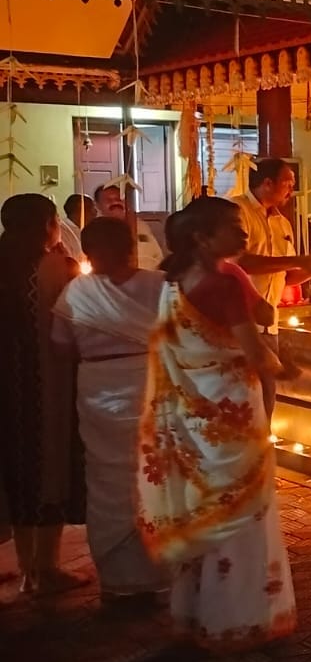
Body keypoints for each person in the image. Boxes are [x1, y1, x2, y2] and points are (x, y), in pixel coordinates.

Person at [138, 196, 297, 650]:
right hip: (232, 415)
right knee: (243, 514)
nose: (243, 232)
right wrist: (291, 367)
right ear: (201, 238)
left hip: (195, 417)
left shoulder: (172, 282)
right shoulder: (224, 283)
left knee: (206, 508)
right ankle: (240, 619)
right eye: (232, 226)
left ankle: (196, 613)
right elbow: (256, 354)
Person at [50, 218, 169, 602]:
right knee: (153, 473)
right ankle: (157, 574)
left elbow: (61, 346)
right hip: (148, 382)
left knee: (106, 479)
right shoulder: (159, 285)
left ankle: (120, 581)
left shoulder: (75, 292)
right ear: (131, 247)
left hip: (98, 385)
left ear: (87, 253)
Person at [0, 193, 88, 596]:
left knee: (15, 469)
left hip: (8, 384)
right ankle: (46, 568)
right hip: (49, 380)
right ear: (47, 226)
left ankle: (24, 566)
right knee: (49, 464)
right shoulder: (59, 267)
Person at [231, 158, 311, 328]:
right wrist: (297, 261)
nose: (291, 190)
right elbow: (239, 263)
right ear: (268, 183)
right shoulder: (237, 211)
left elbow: (285, 277)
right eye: (288, 184)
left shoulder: (282, 223)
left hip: (270, 321)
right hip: (239, 321)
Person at [93, 184, 163, 269]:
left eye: (119, 199)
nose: (115, 202)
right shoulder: (94, 231)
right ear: (97, 205)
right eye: (109, 200)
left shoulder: (140, 225)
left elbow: (157, 256)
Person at [60, 194, 97, 260]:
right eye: (92, 208)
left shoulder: (89, 230)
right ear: (80, 209)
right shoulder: (62, 231)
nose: (95, 212)